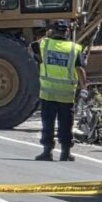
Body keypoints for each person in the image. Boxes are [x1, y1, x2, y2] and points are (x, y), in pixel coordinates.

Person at [32, 20, 87, 161]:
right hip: (66, 95)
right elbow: (79, 69)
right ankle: (65, 152)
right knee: (65, 124)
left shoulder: (44, 44)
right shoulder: (74, 48)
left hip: (48, 93)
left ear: (52, 31)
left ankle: (47, 152)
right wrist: (84, 87)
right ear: (67, 32)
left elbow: (32, 49)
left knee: (47, 124)